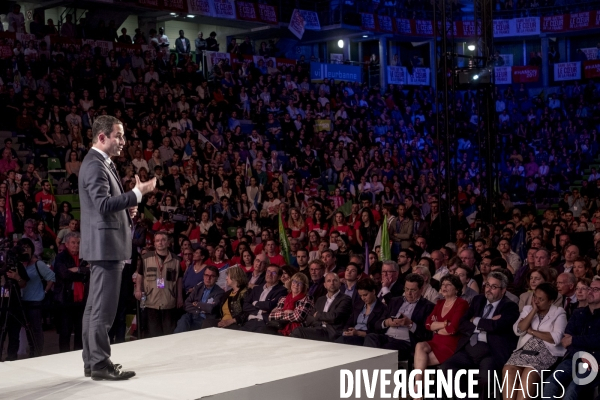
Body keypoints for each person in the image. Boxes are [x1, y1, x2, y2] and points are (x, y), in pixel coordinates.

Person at [79, 115, 156, 381]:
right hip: (106, 248)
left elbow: (105, 204)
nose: (123, 141)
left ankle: (92, 362)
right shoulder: (94, 165)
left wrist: (127, 207)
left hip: (104, 246)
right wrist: (137, 193)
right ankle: (100, 363)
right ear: (102, 137)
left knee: (94, 308)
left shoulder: (100, 163)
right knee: (103, 309)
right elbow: (101, 204)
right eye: (118, 136)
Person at [439, 272, 520, 399]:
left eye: (494, 287)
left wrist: (475, 320)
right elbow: (462, 323)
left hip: (490, 351)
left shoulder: (510, 306)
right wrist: (487, 323)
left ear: (503, 290)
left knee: (485, 379)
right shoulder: (478, 300)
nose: (489, 289)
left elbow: (496, 326)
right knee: (446, 368)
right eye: (487, 285)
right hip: (468, 348)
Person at [502, 283, 567, 400]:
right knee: (508, 369)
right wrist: (533, 311)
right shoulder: (528, 309)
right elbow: (518, 330)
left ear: (550, 301)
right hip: (523, 350)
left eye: (541, 299)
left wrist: (531, 331)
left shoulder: (559, 312)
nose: (536, 301)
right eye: (535, 297)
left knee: (529, 372)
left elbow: (555, 338)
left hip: (545, 352)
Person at [543, 276, 600, 400]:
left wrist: (574, 340)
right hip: (574, 358)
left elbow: (598, 339)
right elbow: (565, 341)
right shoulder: (578, 313)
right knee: (550, 383)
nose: (590, 291)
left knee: (572, 390)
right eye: (590, 288)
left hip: (594, 363)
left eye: (596, 289)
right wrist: (581, 354)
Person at [413, 275, 469, 398]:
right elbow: (428, 324)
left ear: (457, 289)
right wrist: (444, 324)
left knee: (419, 362)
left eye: (448, 285)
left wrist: (437, 327)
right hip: (436, 341)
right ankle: (419, 386)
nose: (444, 287)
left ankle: (418, 390)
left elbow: (452, 329)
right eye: (443, 284)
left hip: (451, 345)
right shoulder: (439, 303)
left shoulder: (461, 304)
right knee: (420, 345)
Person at [364, 274, 435, 362]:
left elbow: (427, 335)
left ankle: (372, 370)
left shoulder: (428, 307)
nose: (408, 293)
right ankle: (371, 367)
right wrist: (387, 322)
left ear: (421, 290)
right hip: (387, 337)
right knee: (371, 337)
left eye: (413, 290)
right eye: (406, 289)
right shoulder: (395, 301)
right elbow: (377, 324)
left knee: (385, 350)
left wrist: (410, 324)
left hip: (405, 342)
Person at [136, 232, 184, 338]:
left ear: (168, 243)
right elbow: (140, 275)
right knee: (154, 334)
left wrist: (179, 297)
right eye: (157, 240)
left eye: (163, 240)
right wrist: (138, 289)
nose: (160, 243)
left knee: (169, 333)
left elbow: (179, 279)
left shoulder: (176, 260)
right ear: (154, 243)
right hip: (151, 300)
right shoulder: (146, 258)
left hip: (169, 301)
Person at [53, 232, 90, 353]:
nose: (76, 245)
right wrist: (82, 273)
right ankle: (63, 357)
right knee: (65, 332)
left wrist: (78, 269)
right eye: (73, 243)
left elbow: (91, 272)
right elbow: (64, 274)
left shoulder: (84, 257)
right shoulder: (60, 257)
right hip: (65, 300)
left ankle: (79, 355)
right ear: (67, 244)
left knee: (80, 331)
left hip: (81, 301)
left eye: (78, 243)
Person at [18, 237, 55, 358]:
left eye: (27, 247)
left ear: (32, 249)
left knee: (36, 330)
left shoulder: (38, 263)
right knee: (28, 330)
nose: (25, 250)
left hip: (35, 301)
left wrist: (44, 291)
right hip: (22, 301)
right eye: (22, 247)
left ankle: (37, 354)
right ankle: (31, 352)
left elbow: (51, 277)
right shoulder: (18, 264)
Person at [290, 272, 353, 341]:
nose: (332, 283)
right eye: (329, 281)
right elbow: (309, 319)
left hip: (331, 333)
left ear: (340, 284)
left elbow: (334, 317)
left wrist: (318, 315)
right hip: (318, 329)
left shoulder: (345, 299)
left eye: (335, 280)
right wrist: (322, 322)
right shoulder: (321, 299)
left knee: (298, 331)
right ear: (325, 285)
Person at [336, 278, 387, 346]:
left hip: (365, 338)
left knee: (341, 342)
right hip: (353, 334)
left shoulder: (382, 308)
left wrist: (358, 333)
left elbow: (378, 331)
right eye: (361, 296)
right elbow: (349, 322)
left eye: (365, 295)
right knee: (337, 341)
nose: (363, 298)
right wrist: (347, 330)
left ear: (373, 291)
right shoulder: (358, 305)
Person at [174, 266, 224, 333]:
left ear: (216, 278)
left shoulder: (219, 292)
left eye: (212, 276)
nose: (208, 278)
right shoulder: (198, 287)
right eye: (206, 275)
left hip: (205, 319)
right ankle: (176, 340)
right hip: (192, 315)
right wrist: (200, 310)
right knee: (183, 320)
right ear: (203, 276)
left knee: (195, 327)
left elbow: (211, 308)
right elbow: (186, 304)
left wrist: (197, 304)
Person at [242, 264, 288, 332]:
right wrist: (259, 311)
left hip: (265, 323)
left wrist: (255, 303)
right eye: (268, 271)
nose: (270, 274)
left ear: (279, 277)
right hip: (250, 321)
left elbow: (270, 305)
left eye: (274, 273)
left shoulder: (282, 290)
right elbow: (245, 305)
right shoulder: (257, 289)